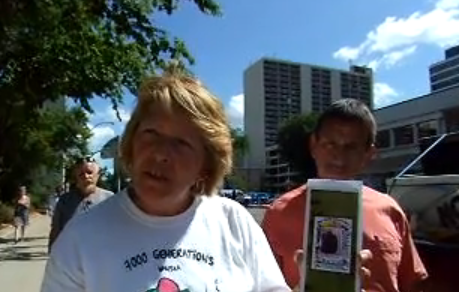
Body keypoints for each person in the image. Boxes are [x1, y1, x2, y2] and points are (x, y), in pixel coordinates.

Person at [40, 67, 372, 292]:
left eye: (182, 142)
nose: (160, 153)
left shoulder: (235, 222)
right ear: (130, 142)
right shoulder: (82, 238)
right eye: (150, 133)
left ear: (206, 164)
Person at [262, 99, 428, 292]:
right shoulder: (279, 213)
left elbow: (413, 283)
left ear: (369, 153)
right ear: (313, 145)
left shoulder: (390, 210)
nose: (339, 157)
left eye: (351, 147)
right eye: (330, 144)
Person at [48, 157, 114, 251]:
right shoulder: (65, 201)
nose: (86, 176)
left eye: (89, 172)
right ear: (76, 177)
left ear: (98, 175)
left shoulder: (110, 198)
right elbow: (56, 231)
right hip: (72, 257)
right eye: (81, 174)